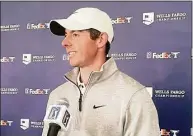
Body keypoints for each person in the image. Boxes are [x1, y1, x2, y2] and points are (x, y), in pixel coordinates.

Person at [42, 7, 160, 136]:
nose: (64, 42)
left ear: (100, 40)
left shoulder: (133, 96)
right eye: (66, 35)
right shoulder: (58, 95)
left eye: (75, 34)